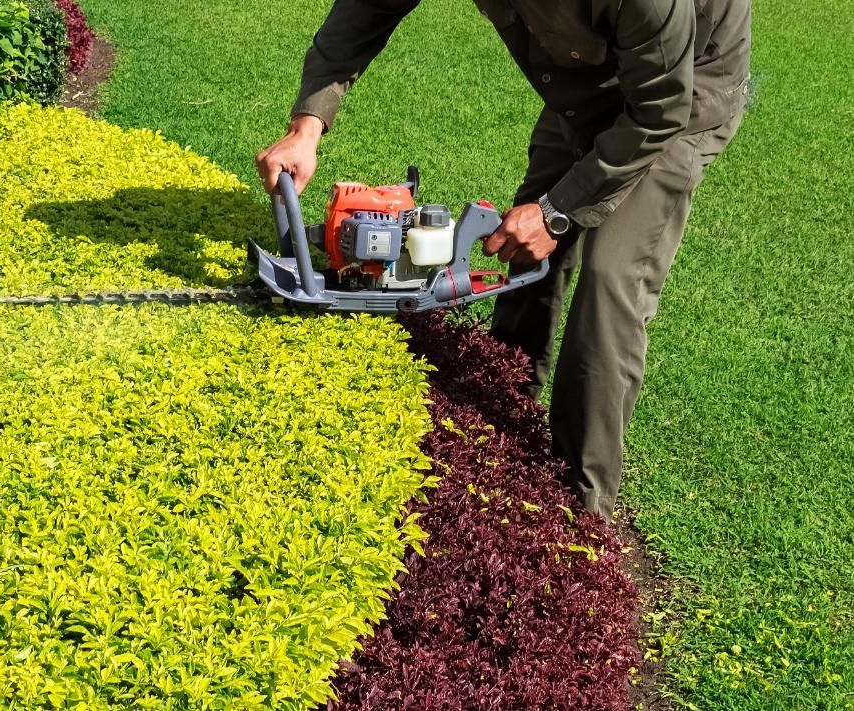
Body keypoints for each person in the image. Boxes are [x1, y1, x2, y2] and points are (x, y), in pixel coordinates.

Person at [256, 0, 751, 522]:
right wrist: (307, 124)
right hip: (588, 83)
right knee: (525, 242)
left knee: (610, 276)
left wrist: (557, 212)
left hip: (684, 91)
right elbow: (365, 9)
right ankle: (502, 409)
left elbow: (659, 109)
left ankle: (579, 505)